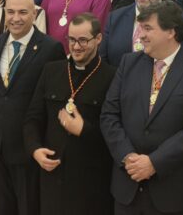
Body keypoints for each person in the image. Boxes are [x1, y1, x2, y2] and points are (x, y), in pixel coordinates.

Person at [100, 0, 183, 214]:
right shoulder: (128, 63)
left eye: (148, 28)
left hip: (174, 192)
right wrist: (127, 156)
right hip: (128, 186)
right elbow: (109, 115)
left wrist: (154, 163)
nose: (141, 35)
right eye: (140, 28)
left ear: (171, 32)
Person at [24, 13, 117, 215]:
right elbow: (33, 118)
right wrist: (35, 149)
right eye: (71, 39)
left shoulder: (112, 77)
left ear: (98, 39)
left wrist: (84, 130)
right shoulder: (51, 71)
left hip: (90, 182)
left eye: (83, 40)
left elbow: (115, 132)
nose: (75, 46)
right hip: (52, 177)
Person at [0, 0, 66, 215]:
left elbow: (54, 102)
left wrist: (41, 143)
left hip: (29, 149)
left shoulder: (51, 48)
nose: (15, 18)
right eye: (10, 12)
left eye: (22, 12)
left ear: (34, 14)